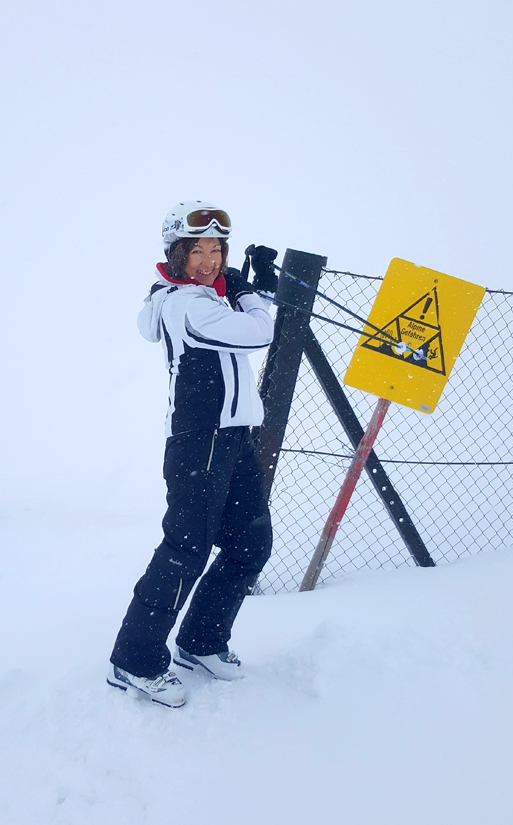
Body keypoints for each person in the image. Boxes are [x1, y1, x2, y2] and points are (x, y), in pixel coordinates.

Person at [108, 201, 278, 708]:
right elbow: (258, 333)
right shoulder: (187, 304)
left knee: (251, 543)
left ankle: (201, 640)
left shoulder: (206, 295)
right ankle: (134, 661)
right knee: (185, 551)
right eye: (197, 249)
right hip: (198, 441)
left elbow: (241, 316)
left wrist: (249, 287)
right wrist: (252, 295)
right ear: (176, 254)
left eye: (217, 249)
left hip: (233, 437)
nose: (209, 259)